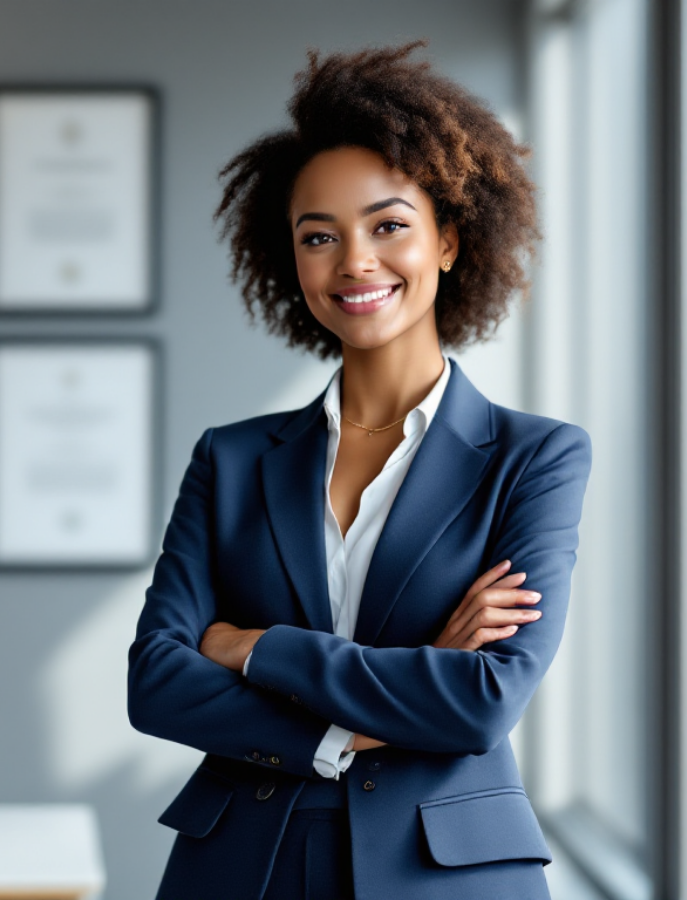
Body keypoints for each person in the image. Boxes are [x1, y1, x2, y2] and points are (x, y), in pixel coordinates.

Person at [127, 42, 591, 900]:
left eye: (388, 225)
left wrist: (255, 647)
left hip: (447, 871)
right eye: (319, 236)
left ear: (449, 240)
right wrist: (381, 706)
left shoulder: (536, 457)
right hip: (241, 866)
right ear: (290, 259)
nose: (354, 262)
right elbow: (157, 685)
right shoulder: (229, 459)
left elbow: (484, 700)